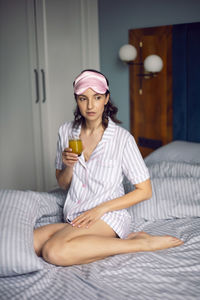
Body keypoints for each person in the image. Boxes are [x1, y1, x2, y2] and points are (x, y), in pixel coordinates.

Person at [34, 69, 183, 266]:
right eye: (83, 98)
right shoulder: (66, 132)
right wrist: (69, 165)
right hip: (75, 216)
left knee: (54, 251)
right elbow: (63, 184)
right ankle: (90, 240)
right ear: (76, 100)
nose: (90, 106)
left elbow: (145, 191)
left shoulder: (122, 139)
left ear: (106, 98)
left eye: (96, 97)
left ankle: (139, 243)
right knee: (31, 242)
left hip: (107, 217)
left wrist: (99, 209)